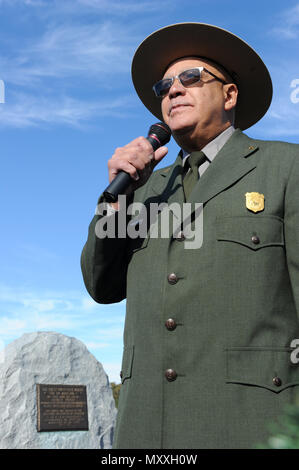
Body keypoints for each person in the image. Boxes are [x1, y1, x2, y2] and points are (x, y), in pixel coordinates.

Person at [81, 23, 299, 449]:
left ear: (230, 95)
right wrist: (115, 199)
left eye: (191, 78)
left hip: (253, 426)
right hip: (146, 430)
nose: (173, 91)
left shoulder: (285, 168)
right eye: (164, 85)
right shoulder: (142, 189)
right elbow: (100, 285)